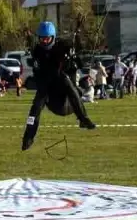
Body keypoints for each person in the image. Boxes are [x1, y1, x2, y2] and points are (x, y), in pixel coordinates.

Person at [21, 20, 96, 151]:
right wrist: (28, 35)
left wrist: (77, 37)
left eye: (47, 39)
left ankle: (83, 118)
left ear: (53, 37)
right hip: (52, 99)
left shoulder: (63, 47)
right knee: (36, 106)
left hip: (68, 101)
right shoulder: (37, 51)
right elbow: (31, 46)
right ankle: (28, 137)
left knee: (65, 79)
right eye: (42, 39)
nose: (45, 42)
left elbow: (79, 55)